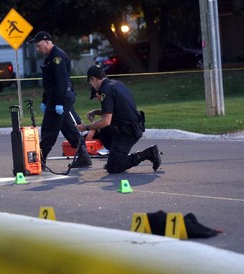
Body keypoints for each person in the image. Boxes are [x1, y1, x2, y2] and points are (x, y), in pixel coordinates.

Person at [75, 65, 161, 174]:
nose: (91, 85)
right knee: (101, 131)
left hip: (128, 132)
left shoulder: (105, 91)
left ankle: (147, 153)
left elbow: (106, 121)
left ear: (94, 79)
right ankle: (116, 156)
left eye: (90, 82)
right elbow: (118, 109)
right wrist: (97, 112)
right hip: (131, 126)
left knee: (113, 168)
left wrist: (86, 127)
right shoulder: (116, 84)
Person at [28, 31, 92, 169]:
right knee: (68, 128)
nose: (38, 49)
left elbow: (61, 82)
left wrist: (57, 103)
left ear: (46, 42)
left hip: (60, 98)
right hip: (56, 98)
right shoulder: (50, 57)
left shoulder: (58, 57)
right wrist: (45, 100)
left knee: (49, 128)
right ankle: (83, 156)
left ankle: (40, 159)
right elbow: (50, 83)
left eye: (39, 46)